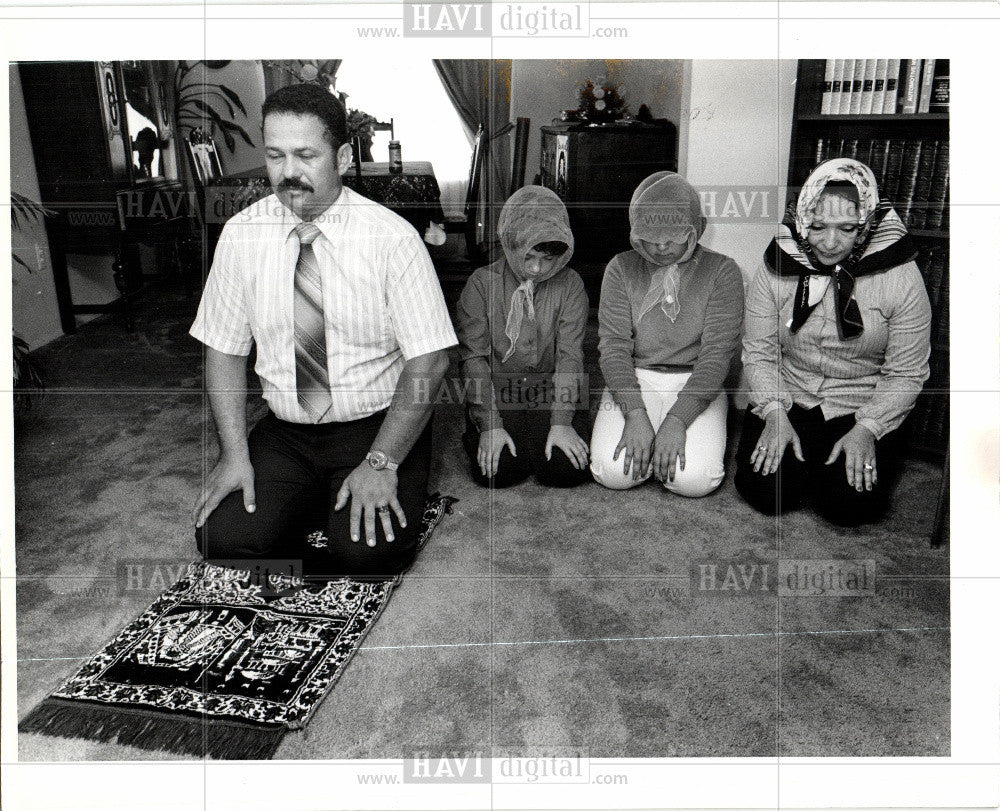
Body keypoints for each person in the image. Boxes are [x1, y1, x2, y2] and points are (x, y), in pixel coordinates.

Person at [189, 83, 456, 579]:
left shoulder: (393, 239)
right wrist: (233, 455)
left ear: (343, 157)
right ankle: (312, 496)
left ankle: (352, 488)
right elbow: (223, 350)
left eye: (306, 155)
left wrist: (382, 463)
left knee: (367, 558)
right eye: (275, 155)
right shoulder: (240, 235)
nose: (288, 171)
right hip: (287, 430)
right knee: (222, 540)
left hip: (375, 425)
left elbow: (431, 361)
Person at [735, 158, 932, 525]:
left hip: (860, 404)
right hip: (790, 395)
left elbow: (906, 373)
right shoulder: (776, 262)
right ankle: (806, 464)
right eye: (818, 226)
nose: (829, 243)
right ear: (802, 217)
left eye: (846, 229)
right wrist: (775, 415)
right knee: (766, 492)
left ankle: (835, 464)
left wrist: (868, 429)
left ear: (867, 224)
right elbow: (759, 354)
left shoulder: (902, 275)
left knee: (849, 508)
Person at [590, 171, 744, 496]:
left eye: (674, 236)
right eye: (649, 236)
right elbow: (614, 349)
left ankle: (674, 435)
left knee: (694, 480)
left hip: (696, 381)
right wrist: (634, 413)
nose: (661, 247)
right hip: (637, 376)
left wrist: (677, 420)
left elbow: (717, 355)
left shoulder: (723, 271)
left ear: (696, 229)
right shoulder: (620, 268)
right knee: (612, 472)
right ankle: (649, 439)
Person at [456, 185, 591, 488]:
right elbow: (473, 359)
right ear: (510, 244)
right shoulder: (480, 284)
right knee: (498, 473)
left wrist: (561, 423)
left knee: (564, 471)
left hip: (551, 390)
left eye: (547, 259)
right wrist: (490, 426)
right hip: (500, 390)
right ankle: (477, 429)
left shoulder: (570, 285)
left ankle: (542, 432)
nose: (537, 268)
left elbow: (570, 358)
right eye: (529, 256)